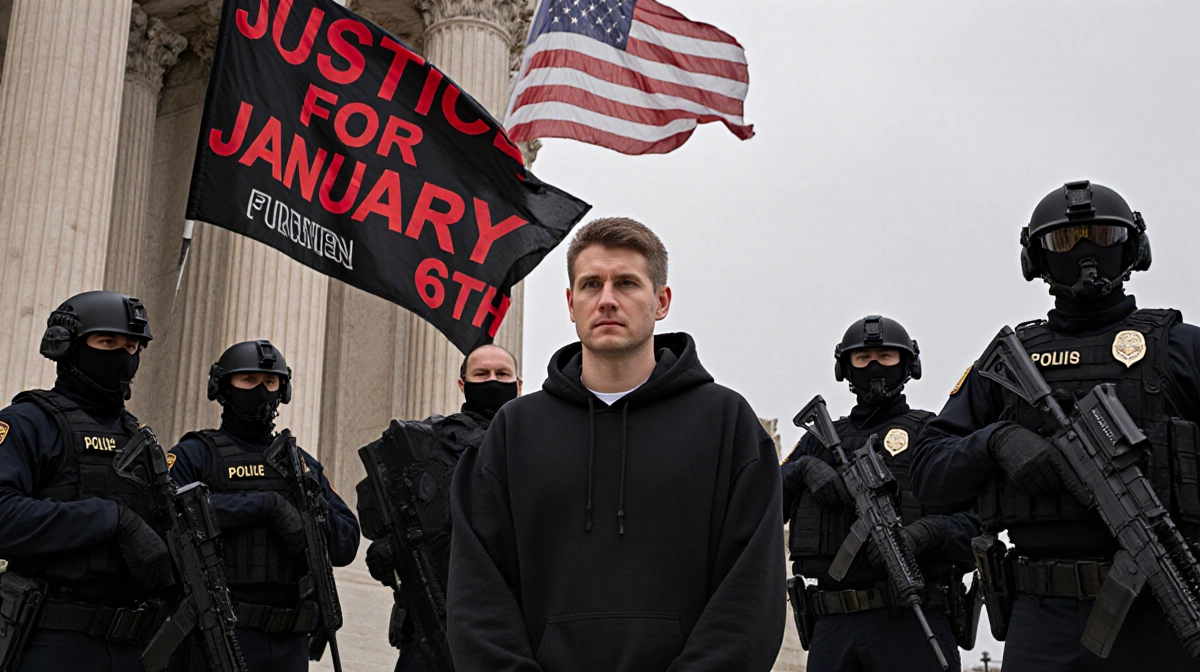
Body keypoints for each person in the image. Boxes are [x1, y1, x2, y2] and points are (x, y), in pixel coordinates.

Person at [446, 217, 786, 671]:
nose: (607, 300)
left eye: (626, 283)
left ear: (661, 301)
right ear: (571, 304)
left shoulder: (727, 424)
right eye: (591, 285)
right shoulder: (513, 431)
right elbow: (476, 595)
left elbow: (751, 598)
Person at [911, 180, 1200, 670]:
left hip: (1165, 605)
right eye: (1066, 241)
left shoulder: (1180, 348)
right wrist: (996, 441)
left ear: (1133, 249)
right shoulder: (1008, 363)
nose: (1085, 252)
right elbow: (927, 471)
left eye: (1102, 237)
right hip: (1044, 615)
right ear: (1036, 260)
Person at [782, 316, 979, 672]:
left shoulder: (932, 436)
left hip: (910, 621)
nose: (874, 365)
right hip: (833, 624)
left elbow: (976, 526)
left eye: (886, 356)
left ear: (908, 364)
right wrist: (803, 469)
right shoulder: (820, 440)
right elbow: (762, 503)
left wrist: (926, 534)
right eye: (863, 358)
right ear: (846, 368)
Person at [0, 290, 172, 671]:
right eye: (108, 342)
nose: (124, 357)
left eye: (132, 346)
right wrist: (110, 519)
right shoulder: (28, 422)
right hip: (53, 642)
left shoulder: (139, 439)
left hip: (133, 647)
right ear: (68, 346)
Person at [168, 339, 360, 671]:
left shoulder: (300, 465)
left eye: (270, 382)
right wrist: (262, 505)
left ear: (282, 391)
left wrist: (310, 518)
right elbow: (170, 519)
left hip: (289, 643)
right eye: (248, 380)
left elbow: (346, 542)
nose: (261, 391)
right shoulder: (195, 454)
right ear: (223, 387)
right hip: (222, 637)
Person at [360, 343, 522, 672]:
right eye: (482, 374)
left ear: (519, 384)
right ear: (463, 384)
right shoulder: (427, 443)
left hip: (509, 628)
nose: (492, 381)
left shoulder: (536, 445)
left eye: (502, 374)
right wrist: (393, 546)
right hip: (430, 622)